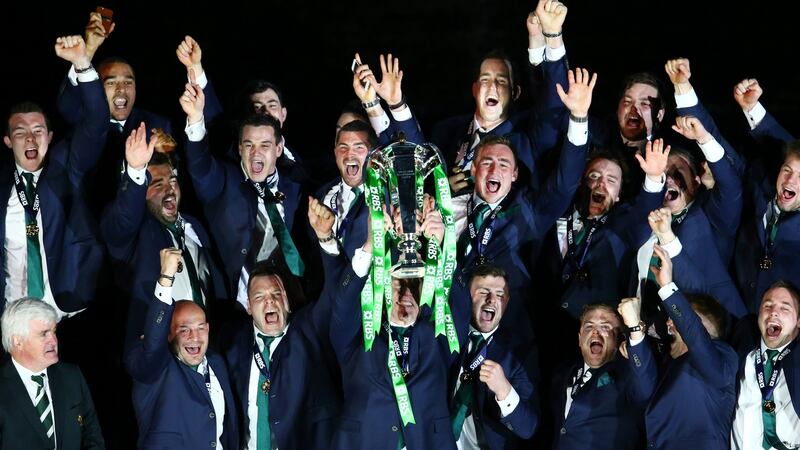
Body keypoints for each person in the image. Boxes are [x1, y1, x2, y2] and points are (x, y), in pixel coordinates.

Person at [455, 67, 594, 374]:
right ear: (474, 170)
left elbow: (565, 182)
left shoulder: (528, 212)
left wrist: (579, 118)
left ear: (515, 174)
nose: (494, 170)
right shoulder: (450, 207)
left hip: (507, 347)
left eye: (504, 164)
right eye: (486, 163)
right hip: (451, 335)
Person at [328, 203, 460, 449]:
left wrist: (442, 248)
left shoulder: (440, 338)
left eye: (414, 284)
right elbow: (343, 306)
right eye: (398, 283)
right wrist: (369, 246)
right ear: (381, 288)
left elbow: (460, 303)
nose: (406, 293)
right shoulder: (358, 338)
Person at [180, 76, 308, 309]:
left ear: (279, 148)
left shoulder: (296, 186)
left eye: (265, 145)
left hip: (286, 305)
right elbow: (200, 167)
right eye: (249, 145)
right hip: (233, 308)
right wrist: (196, 119)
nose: (256, 153)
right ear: (240, 148)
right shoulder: (223, 180)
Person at [1, 35, 105, 319]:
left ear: (49, 137)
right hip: (10, 316)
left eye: (38, 131)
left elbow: (95, 124)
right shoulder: (3, 187)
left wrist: (83, 63)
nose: (31, 138)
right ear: (8, 141)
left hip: (65, 309)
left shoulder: (66, 166)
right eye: (20, 132)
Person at [100, 124, 228, 350]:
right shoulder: (134, 232)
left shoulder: (194, 225)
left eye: (173, 182)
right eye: (158, 184)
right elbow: (125, 216)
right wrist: (136, 169)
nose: (169, 190)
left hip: (210, 342)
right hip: (164, 349)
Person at [622, 245, 738, 450]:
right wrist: (636, 334)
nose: (669, 323)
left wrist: (667, 286)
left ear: (705, 325)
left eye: (675, 317)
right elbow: (643, 395)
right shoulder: (667, 365)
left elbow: (694, 334)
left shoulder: (723, 357)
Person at [126, 248, 238, 450]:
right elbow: (152, 346)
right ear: (168, 334)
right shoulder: (155, 368)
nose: (194, 336)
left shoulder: (217, 362)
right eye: (184, 330)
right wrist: (166, 278)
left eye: (200, 328)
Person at [219, 264, 340, 450]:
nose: (270, 301)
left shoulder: (310, 332)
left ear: (287, 302)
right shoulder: (230, 341)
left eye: (276, 294)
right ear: (249, 307)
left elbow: (335, 293)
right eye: (259, 296)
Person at [449, 264, 539, 449]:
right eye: (483, 292)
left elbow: (528, 428)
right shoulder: (448, 335)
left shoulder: (519, 354)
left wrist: (504, 391)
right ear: (468, 295)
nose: (492, 300)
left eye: (500, 295)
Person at [0, 298, 104, 449]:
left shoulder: (72, 376)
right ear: (18, 341)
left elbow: (93, 437)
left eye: (54, 332)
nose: (53, 341)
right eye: (44, 334)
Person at [550, 302, 654, 450]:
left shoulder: (629, 373)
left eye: (605, 327)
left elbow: (646, 387)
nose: (595, 332)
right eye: (588, 326)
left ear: (618, 338)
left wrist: (635, 329)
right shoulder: (563, 373)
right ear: (579, 338)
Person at [731, 280, 800, 450]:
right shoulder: (744, 344)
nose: (773, 313)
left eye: (785, 308)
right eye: (767, 306)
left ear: (799, 320)